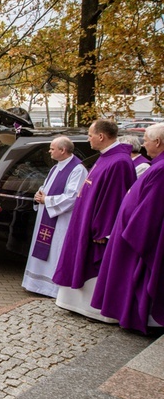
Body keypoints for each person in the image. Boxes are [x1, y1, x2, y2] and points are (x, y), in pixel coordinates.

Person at [52, 119, 137, 321]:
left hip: (97, 229)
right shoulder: (105, 157)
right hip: (84, 221)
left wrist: (103, 230)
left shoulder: (119, 162)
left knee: (93, 264)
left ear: (101, 136)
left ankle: (95, 309)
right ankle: (75, 303)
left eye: (90, 135)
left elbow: (114, 200)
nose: (88, 139)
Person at [90, 123, 164, 333]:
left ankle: (139, 319)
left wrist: (130, 232)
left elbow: (151, 210)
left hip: (136, 237)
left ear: (158, 142)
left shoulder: (160, 169)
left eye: (147, 140)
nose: (144, 145)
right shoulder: (157, 165)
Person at [21, 137, 88, 298]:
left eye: (52, 148)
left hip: (61, 220)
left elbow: (72, 197)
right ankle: (35, 284)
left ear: (62, 150)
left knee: (56, 249)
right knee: (43, 247)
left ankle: (51, 287)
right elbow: (47, 186)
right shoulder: (56, 167)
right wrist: (39, 194)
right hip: (47, 214)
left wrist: (47, 200)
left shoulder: (77, 169)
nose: (49, 151)